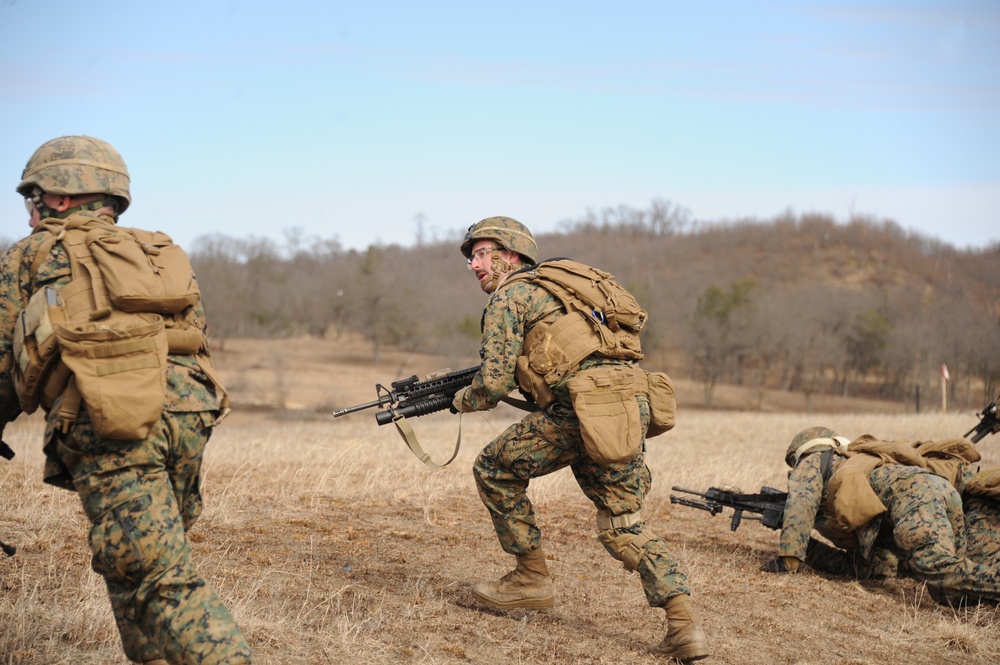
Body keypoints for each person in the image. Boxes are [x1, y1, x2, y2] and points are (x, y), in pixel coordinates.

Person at [0, 136, 252, 665]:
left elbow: (4, 358)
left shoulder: (31, 254)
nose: (29, 218)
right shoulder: (155, 250)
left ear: (60, 198)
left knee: (162, 580)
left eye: (33, 202)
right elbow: (196, 334)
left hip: (112, 421)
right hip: (190, 414)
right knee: (127, 561)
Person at [450, 216, 709, 662]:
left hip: (578, 410)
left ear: (510, 256)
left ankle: (530, 579)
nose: (474, 265)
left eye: (480, 254)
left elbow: (492, 383)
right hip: (622, 405)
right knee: (622, 523)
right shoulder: (566, 293)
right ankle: (684, 626)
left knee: (493, 467)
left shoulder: (511, 296)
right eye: (472, 257)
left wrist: (462, 399)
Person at [762, 427, 1000, 606]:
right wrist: (809, 548)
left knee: (938, 570)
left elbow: (801, 502)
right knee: (946, 592)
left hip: (915, 497)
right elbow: (868, 567)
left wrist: (789, 559)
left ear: (802, 453)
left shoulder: (814, 461)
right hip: (941, 492)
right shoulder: (854, 467)